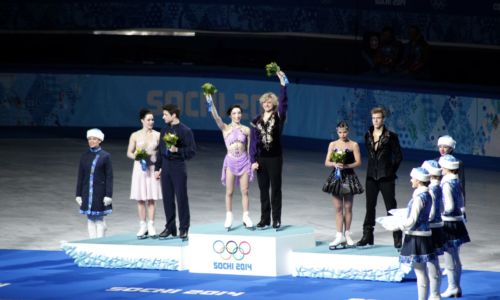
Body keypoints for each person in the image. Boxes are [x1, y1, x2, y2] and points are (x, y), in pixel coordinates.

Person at [382, 167, 440, 300]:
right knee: (422, 271)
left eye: (412, 178)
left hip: (416, 236)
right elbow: (429, 215)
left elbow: (412, 221)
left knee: (420, 273)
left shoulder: (419, 197)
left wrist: (396, 225)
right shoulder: (428, 194)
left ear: (419, 180)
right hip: (424, 235)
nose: (410, 180)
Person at [204, 95, 254, 230]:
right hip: (231, 162)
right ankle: (229, 216)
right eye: (234, 113)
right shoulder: (225, 128)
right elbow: (216, 118)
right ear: (230, 115)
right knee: (229, 192)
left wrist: (251, 162)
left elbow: (250, 149)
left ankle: (246, 216)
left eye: (239, 113)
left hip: (244, 161)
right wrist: (211, 102)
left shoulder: (247, 130)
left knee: (245, 191)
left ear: (241, 115)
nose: (237, 115)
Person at [357, 107, 403, 249]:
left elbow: (398, 156)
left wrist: (390, 170)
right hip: (371, 176)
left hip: (386, 177)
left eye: (378, 118)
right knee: (370, 206)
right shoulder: (368, 135)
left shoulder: (391, 136)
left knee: (391, 208)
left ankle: (397, 237)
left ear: (383, 119)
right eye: (373, 118)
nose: (375, 120)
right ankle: (367, 235)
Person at [250, 70, 288, 230]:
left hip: (274, 158)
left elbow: (284, 102)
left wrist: (283, 84)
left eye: (270, 101)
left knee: (276, 189)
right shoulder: (255, 120)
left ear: (274, 104)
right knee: (263, 190)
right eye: (265, 102)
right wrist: (253, 161)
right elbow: (252, 143)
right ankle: (264, 219)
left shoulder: (278, 117)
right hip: (260, 159)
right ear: (262, 104)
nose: (267, 103)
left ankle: (276, 219)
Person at [154, 104, 196, 240]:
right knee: (167, 198)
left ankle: (184, 228)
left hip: (178, 167)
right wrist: (157, 168)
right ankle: (170, 227)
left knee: (181, 198)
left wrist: (177, 150)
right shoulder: (164, 129)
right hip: (166, 167)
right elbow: (160, 150)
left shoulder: (185, 131)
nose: (163, 117)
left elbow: (191, 152)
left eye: (165, 114)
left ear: (173, 115)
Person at [323, 121, 364, 249]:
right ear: (337, 132)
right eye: (340, 132)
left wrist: (346, 165)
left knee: (348, 207)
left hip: (348, 178)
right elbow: (326, 162)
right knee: (338, 208)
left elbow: (358, 162)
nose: (342, 134)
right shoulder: (333, 144)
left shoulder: (353, 145)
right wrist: (335, 164)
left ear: (348, 131)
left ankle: (347, 234)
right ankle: (339, 235)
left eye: (345, 132)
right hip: (336, 178)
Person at [127, 109, 162, 239]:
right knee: (141, 198)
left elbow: (161, 154)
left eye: (152, 119)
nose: (151, 122)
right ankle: (143, 225)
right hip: (140, 169)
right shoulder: (135, 135)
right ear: (142, 120)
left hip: (152, 168)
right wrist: (137, 156)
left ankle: (151, 225)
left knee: (152, 198)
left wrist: (160, 168)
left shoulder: (158, 135)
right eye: (148, 119)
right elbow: (129, 152)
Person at [439, 154, 470, 298]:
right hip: (458, 222)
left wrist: (442, 212)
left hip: (449, 223)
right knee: (456, 256)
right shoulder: (456, 181)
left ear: (446, 167)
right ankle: (457, 286)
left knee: (449, 257)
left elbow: (450, 205)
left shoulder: (446, 183)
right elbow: (461, 202)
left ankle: (452, 286)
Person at [75, 128, 113, 239]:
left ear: (99, 140)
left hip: (99, 193)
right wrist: (78, 194)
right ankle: (91, 241)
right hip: (87, 192)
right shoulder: (84, 156)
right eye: (89, 139)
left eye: (94, 139)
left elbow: (109, 177)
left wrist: (108, 195)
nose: (91, 141)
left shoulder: (105, 156)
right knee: (90, 218)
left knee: (99, 219)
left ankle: (100, 242)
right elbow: (81, 176)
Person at [421, 159, 446, 299]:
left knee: (431, 263)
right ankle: (435, 294)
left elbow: (429, 214)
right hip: (438, 226)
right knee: (434, 262)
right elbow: (441, 208)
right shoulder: (439, 187)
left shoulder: (431, 189)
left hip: (431, 228)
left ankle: (434, 294)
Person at [436, 135, 466, 210]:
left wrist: (462, 206)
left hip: (451, 196)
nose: (442, 149)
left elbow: (461, 184)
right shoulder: (435, 162)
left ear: (451, 148)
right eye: (440, 147)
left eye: (445, 147)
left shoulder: (457, 163)